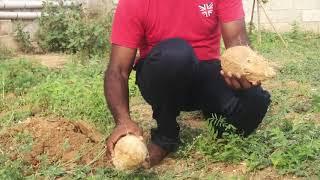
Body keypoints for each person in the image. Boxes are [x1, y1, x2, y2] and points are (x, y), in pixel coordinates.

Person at [104, 0, 271, 168]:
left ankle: (216, 121)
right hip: (161, 74)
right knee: (176, 55)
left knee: (256, 101)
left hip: (206, 73)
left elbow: (237, 41)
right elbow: (118, 70)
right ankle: (165, 135)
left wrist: (242, 68)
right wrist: (123, 120)